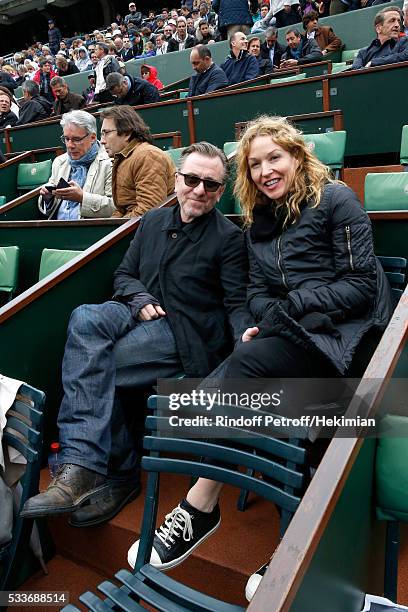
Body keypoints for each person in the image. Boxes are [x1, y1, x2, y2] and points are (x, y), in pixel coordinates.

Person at [126, 116, 393, 599]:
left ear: (297, 155)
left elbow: (359, 285)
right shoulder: (258, 222)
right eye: (254, 164)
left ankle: (240, 516)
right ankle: (234, 516)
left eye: (275, 158)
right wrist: (270, 319)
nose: (266, 171)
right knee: (263, 377)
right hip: (298, 336)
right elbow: (256, 291)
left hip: (352, 337)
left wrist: (289, 311)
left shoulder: (336, 199)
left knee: (269, 385)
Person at [21, 141, 250, 528]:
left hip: (183, 329)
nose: (199, 190)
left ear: (220, 191)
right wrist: (139, 297)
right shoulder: (153, 222)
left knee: (96, 361)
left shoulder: (228, 238)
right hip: (134, 310)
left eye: (210, 185)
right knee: (85, 319)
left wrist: (244, 339)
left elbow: (236, 302)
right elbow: (124, 274)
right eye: (192, 179)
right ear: (177, 179)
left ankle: (107, 470)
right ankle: (88, 464)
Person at [99, 106, 175, 218]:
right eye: (102, 134)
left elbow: (149, 210)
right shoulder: (125, 157)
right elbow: (122, 208)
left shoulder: (147, 156)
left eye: (106, 133)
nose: (102, 141)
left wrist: (115, 231)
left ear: (127, 133)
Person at [37, 110, 114, 220]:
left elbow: (115, 207)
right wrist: (48, 197)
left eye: (76, 139)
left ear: (92, 138)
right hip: (57, 228)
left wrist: (82, 198)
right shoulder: (59, 162)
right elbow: (50, 209)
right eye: (66, 139)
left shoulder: (109, 163)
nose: (70, 145)